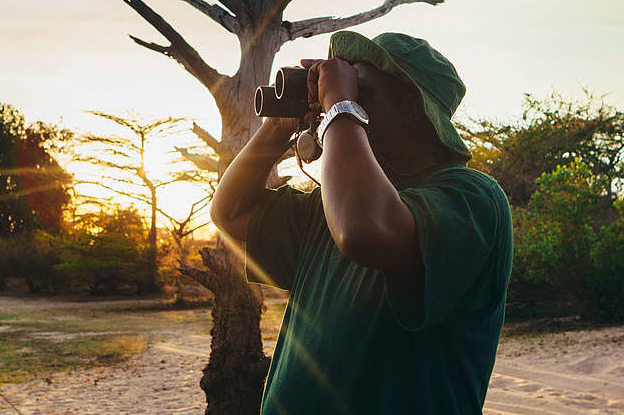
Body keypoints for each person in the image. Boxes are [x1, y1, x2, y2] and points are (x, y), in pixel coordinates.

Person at [211, 30, 514, 414]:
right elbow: (230, 213)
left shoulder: (472, 198)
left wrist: (339, 103)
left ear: (409, 105)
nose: (339, 101)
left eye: (361, 91)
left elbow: (362, 231)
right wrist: (280, 127)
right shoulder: (331, 206)